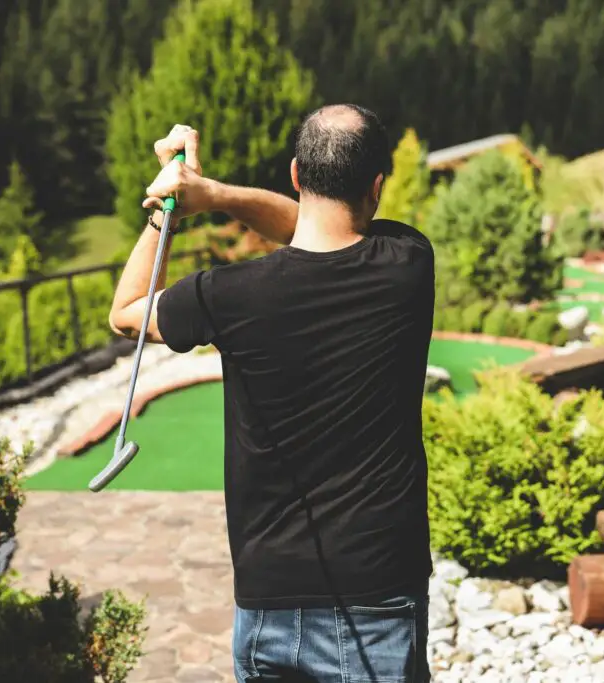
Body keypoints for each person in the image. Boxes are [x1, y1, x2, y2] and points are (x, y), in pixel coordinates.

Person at [108, 106, 434, 682]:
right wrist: (212, 193)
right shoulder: (406, 262)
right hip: (379, 596)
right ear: (377, 186)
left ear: (294, 174)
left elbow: (127, 315)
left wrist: (173, 209)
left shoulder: (229, 295)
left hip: (266, 604)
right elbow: (307, 228)